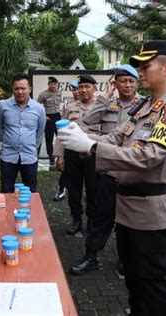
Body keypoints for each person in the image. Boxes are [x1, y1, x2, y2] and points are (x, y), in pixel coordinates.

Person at [58, 40, 166, 315]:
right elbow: (116, 137)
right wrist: (82, 137)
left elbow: (148, 158)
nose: (139, 72)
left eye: (146, 66)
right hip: (127, 207)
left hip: (152, 210)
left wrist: (92, 147)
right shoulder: (145, 107)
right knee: (133, 278)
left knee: (155, 282)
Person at [70, 65, 145, 275]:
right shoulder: (107, 105)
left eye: (131, 81)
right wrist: (105, 97)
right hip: (108, 170)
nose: (128, 85)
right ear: (115, 83)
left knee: (127, 220)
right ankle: (91, 256)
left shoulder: (146, 106)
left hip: (131, 172)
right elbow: (86, 121)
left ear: (137, 83)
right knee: (100, 216)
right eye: (123, 81)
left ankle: (125, 259)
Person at [54, 75, 99, 235]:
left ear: (94, 88)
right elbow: (62, 133)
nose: (84, 90)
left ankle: (92, 220)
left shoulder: (101, 107)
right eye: (81, 87)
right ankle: (76, 219)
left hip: (93, 155)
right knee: (73, 190)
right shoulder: (71, 107)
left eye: (87, 86)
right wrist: (60, 155)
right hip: (72, 156)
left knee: (94, 190)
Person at [0, 74, 46, 193]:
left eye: (23, 88)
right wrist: (7, 142)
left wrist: (33, 146)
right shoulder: (3, 106)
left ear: (29, 89)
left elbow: (40, 131)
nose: (20, 92)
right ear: (12, 89)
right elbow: (0, 127)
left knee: (30, 190)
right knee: (6, 189)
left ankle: (30, 211)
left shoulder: (39, 109)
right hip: (8, 155)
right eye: (16, 88)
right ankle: (8, 212)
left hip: (29, 156)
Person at [53, 80, 80, 202]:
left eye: (78, 88)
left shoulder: (95, 104)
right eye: (74, 89)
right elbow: (62, 130)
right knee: (66, 171)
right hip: (71, 147)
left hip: (88, 147)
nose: (77, 92)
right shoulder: (68, 106)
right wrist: (59, 154)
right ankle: (62, 189)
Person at [37, 76, 62, 165]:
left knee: (61, 137)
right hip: (49, 117)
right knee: (49, 138)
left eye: (54, 84)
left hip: (58, 116)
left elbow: (59, 105)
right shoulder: (43, 94)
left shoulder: (59, 92)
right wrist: (44, 115)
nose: (53, 85)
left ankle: (61, 156)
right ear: (48, 84)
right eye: (51, 84)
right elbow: (37, 105)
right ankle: (51, 157)